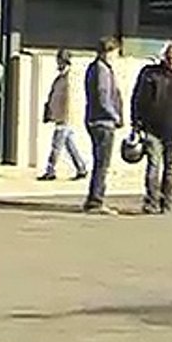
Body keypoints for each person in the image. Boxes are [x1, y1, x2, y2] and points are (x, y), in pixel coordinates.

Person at [129, 41, 172, 215]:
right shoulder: (150, 74)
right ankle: (151, 202)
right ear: (163, 57)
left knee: (170, 168)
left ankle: (166, 202)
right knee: (153, 166)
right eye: (169, 58)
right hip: (152, 129)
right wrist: (136, 123)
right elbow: (138, 98)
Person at [82, 36, 125, 214]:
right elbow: (103, 97)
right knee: (102, 164)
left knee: (99, 162)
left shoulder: (93, 68)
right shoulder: (102, 70)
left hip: (94, 120)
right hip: (103, 122)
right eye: (114, 53)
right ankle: (96, 200)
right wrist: (115, 116)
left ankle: (94, 198)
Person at [37, 49, 89, 182]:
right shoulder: (61, 77)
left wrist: (64, 116)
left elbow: (69, 99)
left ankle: (50, 170)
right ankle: (81, 167)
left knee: (56, 145)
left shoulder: (70, 78)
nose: (58, 63)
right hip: (60, 116)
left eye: (59, 60)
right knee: (70, 144)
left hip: (64, 117)